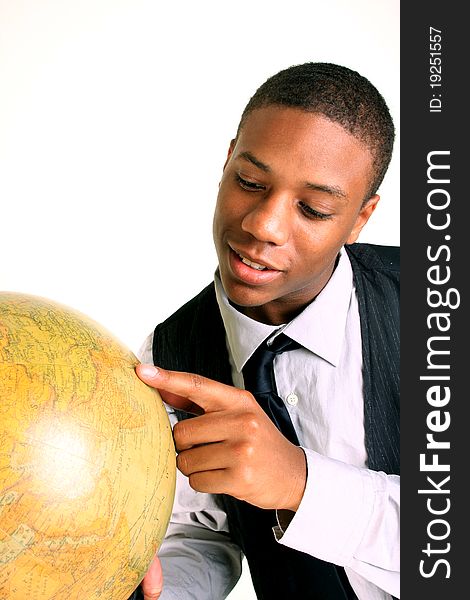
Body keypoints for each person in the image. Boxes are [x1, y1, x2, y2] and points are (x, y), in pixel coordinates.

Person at [129, 62, 399, 600]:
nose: (263, 226)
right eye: (249, 182)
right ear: (227, 161)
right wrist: (162, 589)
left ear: (360, 218)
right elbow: (203, 532)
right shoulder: (172, 353)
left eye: (314, 209)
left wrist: (301, 483)